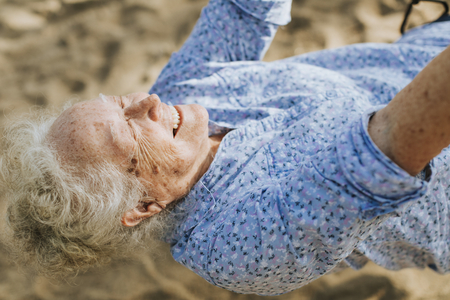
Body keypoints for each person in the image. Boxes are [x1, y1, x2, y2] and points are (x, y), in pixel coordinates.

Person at [1, 0, 450, 296]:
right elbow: (389, 144)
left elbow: (243, 9)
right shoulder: (240, 244)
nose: (150, 101)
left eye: (122, 100)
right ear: (141, 205)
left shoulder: (181, 93)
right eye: (128, 129)